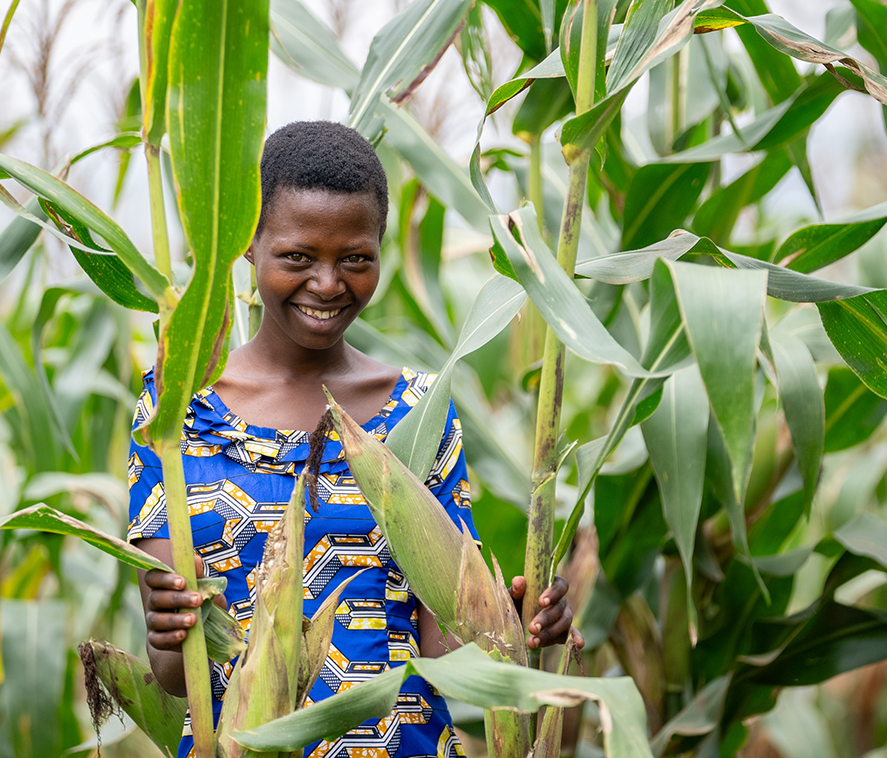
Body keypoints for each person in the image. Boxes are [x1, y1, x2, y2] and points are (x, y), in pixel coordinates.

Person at [128, 120, 577, 757]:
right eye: (297, 257)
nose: (329, 283)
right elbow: (180, 677)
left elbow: (444, 648)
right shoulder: (175, 411)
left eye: (355, 259)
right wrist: (164, 631)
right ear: (248, 246)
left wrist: (524, 629)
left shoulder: (418, 411)